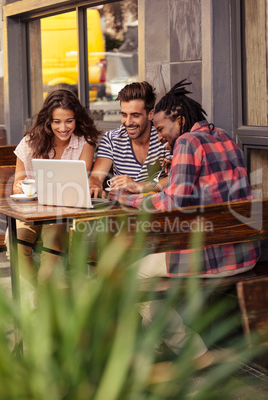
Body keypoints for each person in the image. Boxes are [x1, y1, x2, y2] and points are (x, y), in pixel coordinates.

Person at [109, 80, 261, 364]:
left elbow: (171, 203)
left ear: (179, 118)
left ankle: (195, 352)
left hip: (216, 256)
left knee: (130, 274)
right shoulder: (224, 136)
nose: (160, 136)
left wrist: (126, 199)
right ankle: (150, 348)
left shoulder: (187, 142)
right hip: (246, 252)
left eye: (161, 128)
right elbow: (189, 193)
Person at [6, 89, 101, 289]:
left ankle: (44, 294)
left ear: (77, 119)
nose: (63, 127)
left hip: (61, 213)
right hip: (29, 211)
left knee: (50, 266)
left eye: (69, 121)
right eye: (57, 121)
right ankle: (42, 294)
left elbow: (81, 181)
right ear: (48, 121)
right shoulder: (31, 141)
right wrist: (19, 185)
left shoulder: (85, 143)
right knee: (15, 247)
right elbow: (20, 177)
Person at [89, 81, 172, 198]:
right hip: (122, 210)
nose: (127, 122)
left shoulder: (165, 137)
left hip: (158, 209)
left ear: (150, 114)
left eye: (135, 115)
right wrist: (95, 185)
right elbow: (96, 177)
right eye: (124, 115)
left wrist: (138, 186)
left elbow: (177, 177)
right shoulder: (111, 139)